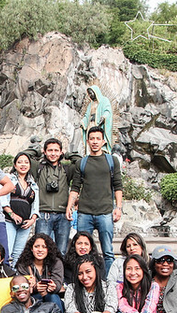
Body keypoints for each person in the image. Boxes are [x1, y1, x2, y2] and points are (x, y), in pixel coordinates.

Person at [66, 126, 123, 273]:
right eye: (92, 139)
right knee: (81, 250)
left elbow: (118, 185)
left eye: (98, 139)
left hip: (105, 212)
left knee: (108, 252)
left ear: (103, 141)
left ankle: (108, 282)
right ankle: (82, 279)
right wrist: (69, 206)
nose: (95, 142)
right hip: (85, 212)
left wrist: (118, 208)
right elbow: (75, 187)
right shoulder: (82, 163)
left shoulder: (112, 161)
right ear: (88, 141)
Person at [31, 139, 75, 255]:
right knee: (41, 250)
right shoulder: (38, 167)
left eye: (56, 150)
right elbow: (25, 155)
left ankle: (58, 273)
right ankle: (41, 273)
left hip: (63, 215)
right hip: (43, 214)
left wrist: (67, 154)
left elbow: (79, 161)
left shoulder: (67, 169)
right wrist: (38, 152)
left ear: (61, 152)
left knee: (62, 251)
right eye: (50, 150)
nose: (53, 153)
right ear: (45, 152)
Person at [1, 152, 39, 267]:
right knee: (7, 250)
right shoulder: (9, 180)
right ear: (15, 165)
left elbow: (36, 204)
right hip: (9, 221)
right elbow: (3, 199)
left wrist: (32, 220)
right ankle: (5, 274)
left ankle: (16, 275)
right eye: (20, 162)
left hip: (25, 224)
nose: (23, 165)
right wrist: (12, 214)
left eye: (26, 162)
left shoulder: (33, 184)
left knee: (19, 253)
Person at [15, 233, 64, 312]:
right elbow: (21, 288)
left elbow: (58, 282)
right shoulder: (23, 264)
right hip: (32, 297)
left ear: (48, 249)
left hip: (51, 296)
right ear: (31, 248)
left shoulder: (56, 262)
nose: (40, 250)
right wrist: (35, 288)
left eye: (44, 247)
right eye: (36, 246)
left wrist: (53, 287)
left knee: (53, 297)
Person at [81, 85, 113, 153]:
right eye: (89, 93)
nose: (90, 95)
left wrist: (104, 117)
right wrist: (83, 122)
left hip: (99, 124)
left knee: (98, 137)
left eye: (91, 93)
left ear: (95, 92)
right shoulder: (90, 104)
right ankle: (89, 153)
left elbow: (108, 111)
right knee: (91, 138)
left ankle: (103, 150)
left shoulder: (104, 100)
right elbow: (87, 115)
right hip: (91, 125)